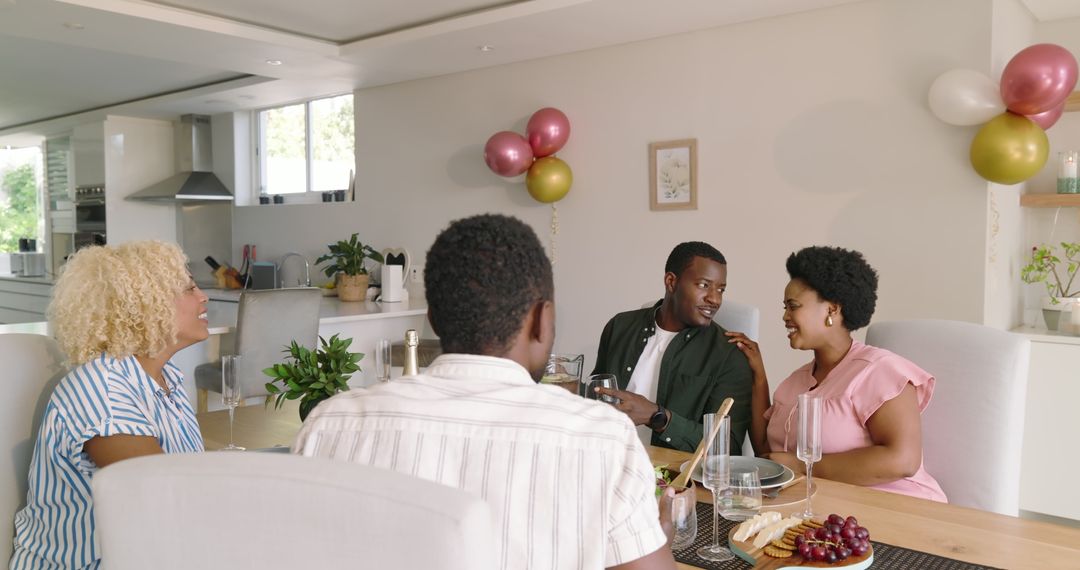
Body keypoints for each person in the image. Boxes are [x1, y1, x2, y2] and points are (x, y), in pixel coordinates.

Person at [293, 214, 676, 570]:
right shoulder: (604, 439)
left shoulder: (329, 425)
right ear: (543, 320)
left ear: (434, 321)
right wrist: (660, 539)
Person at [10, 241, 208, 570]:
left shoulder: (165, 377)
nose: (203, 296)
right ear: (146, 306)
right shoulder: (103, 392)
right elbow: (164, 495)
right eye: (189, 289)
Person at [728, 245, 946, 502]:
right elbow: (770, 456)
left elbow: (903, 460)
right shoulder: (793, 383)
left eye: (793, 306)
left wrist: (804, 466)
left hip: (900, 511)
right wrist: (759, 377)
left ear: (832, 309)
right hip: (827, 516)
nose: (785, 316)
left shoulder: (880, 370)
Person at [591, 241, 753, 453]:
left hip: (673, 479)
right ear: (671, 282)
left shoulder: (729, 354)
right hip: (607, 461)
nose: (714, 299)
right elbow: (596, 398)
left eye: (720, 289)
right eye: (704, 285)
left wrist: (658, 417)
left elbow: (727, 446)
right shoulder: (619, 327)